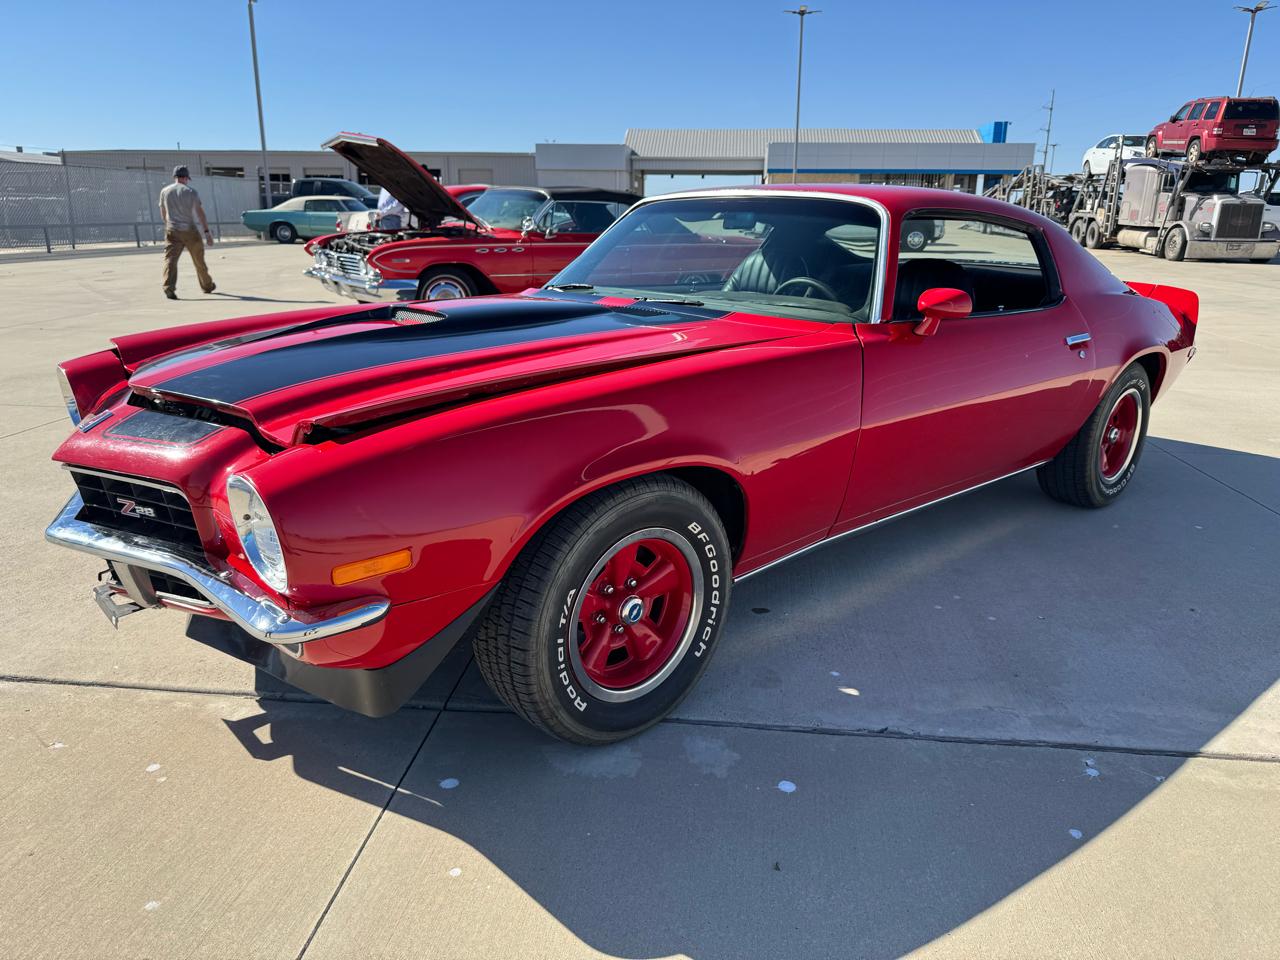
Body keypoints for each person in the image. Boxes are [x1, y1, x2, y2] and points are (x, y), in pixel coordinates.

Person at [158, 166, 215, 299]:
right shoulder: (191, 191)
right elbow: (200, 214)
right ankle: (207, 286)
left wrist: (169, 226)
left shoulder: (164, 191)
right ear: (185, 178)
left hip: (172, 230)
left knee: (170, 261)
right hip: (189, 230)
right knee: (198, 260)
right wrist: (207, 232)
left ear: (175, 177)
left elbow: (163, 214)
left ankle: (169, 287)